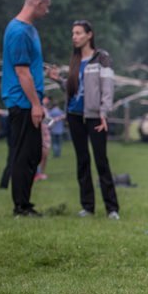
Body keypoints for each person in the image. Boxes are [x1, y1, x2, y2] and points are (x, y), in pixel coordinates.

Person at [47, 19, 120, 219]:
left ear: (89, 35)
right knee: (82, 161)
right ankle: (87, 207)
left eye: (78, 33)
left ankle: (112, 208)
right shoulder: (75, 59)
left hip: (95, 117)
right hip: (74, 116)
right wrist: (58, 80)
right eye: (73, 33)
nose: (74, 37)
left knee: (101, 160)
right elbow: (73, 87)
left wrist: (104, 112)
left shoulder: (101, 58)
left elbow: (107, 87)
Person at [1, 0, 50, 217]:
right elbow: (22, 72)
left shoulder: (30, 30)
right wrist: (36, 105)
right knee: (23, 154)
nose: (47, 11)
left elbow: (29, 65)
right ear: (38, 4)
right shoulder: (18, 31)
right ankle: (20, 206)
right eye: (46, 6)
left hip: (29, 101)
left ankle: (25, 203)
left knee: (33, 153)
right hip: (22, 102)